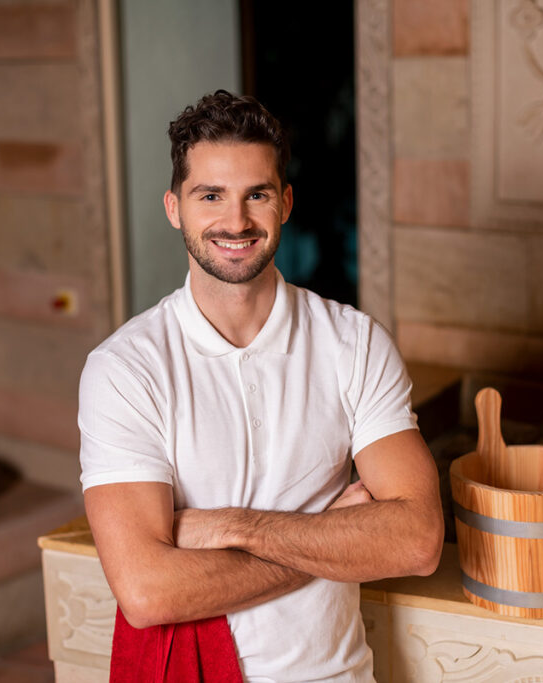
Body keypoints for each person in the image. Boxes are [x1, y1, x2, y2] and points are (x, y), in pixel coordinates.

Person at [79, 90, 443, 681]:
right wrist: (332, 541)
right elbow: (146, 593)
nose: (236, 221)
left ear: (286, 202)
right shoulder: (125, 368)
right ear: (174, 207)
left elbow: (418, 540)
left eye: (257, 194)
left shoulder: (353, 343)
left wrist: (229, 526)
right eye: (211, 196)